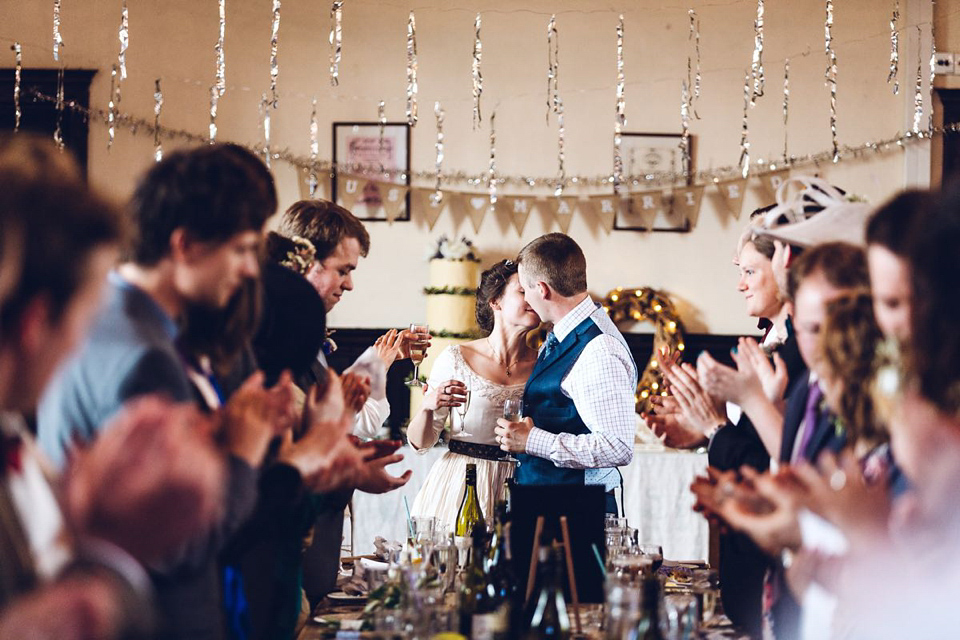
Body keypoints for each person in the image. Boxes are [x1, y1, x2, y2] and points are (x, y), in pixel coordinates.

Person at [35, 143, 290, 640]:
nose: (251, 270)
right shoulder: (148, 357)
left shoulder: (104, 317)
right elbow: (178, 542)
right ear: (186, 245)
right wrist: (243, 453)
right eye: (240, 250)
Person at [0, 136, 225, 638]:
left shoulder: (22, 450)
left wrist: (93, 538)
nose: (85, 343)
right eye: (87, 316)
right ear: (37, 324)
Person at [496, 233, 637, 515]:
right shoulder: (567, 332)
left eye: (525, 290)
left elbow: (618, 446)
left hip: (576, 509)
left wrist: (532, 440)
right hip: (550, 501)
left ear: (543, 290)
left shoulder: (599, 349)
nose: (526, 299)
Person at [408, 259, 540, 529]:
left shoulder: (545, 364)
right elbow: (421, 442)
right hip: (462, 483)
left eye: (535, 290)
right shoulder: (456, 358)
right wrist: (428, 407)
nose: (533, 297)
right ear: (496, 301)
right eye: (522, 291)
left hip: (524, 486)